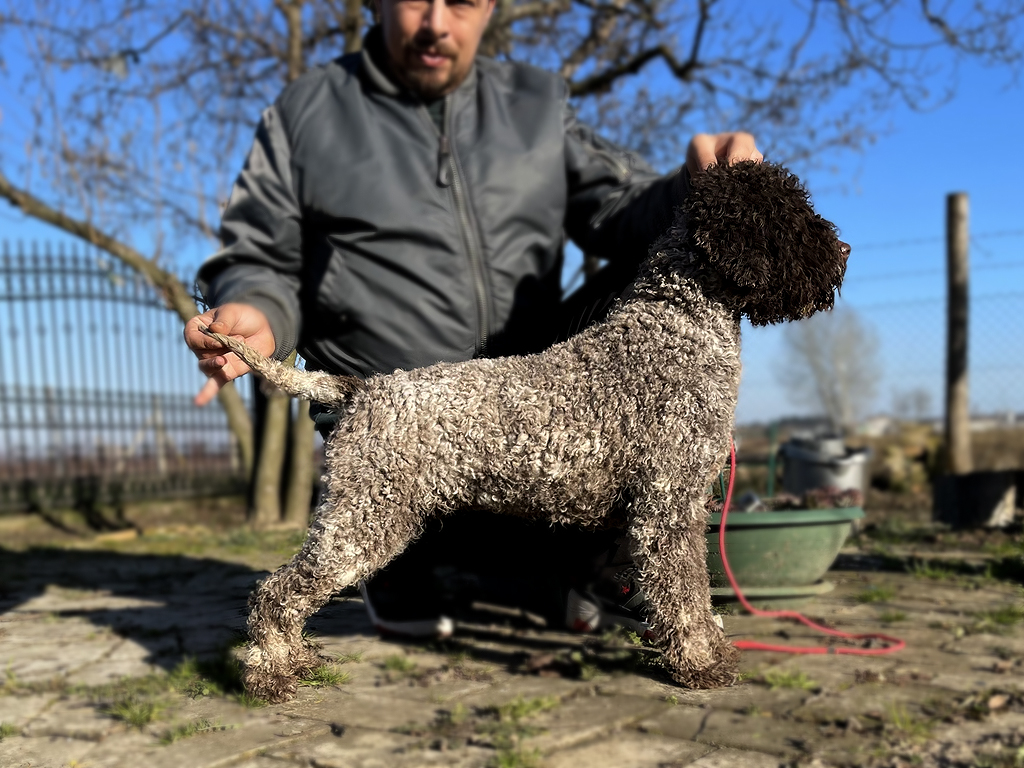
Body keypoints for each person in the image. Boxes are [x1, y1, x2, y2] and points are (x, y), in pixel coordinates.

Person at [184, 0, 762, 637]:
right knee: (394, 535)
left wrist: (693, 187)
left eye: (462, 1)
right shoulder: (304, 112)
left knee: (659, 266)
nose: (436, 22)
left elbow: (623, 206)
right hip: (398, 418)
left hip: (544, 421)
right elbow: (261, 253)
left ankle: (602, 544)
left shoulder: (538, 103)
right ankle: (427, 564)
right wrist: (257, 306)